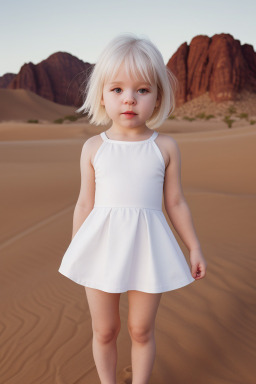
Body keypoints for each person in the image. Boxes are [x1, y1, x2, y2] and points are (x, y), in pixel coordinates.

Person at [58, 33, 207, 384]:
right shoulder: (94, 147)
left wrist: (194, 246)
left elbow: (175, 202)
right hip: (100, 246)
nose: (129, 99)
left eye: (142, 90)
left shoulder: (165, 146)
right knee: (105, 330)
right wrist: (78, 248)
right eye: (117, 90)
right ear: (102, 96)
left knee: (141, 329)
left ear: (157, 98)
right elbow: (84, 202)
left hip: (148, 247)